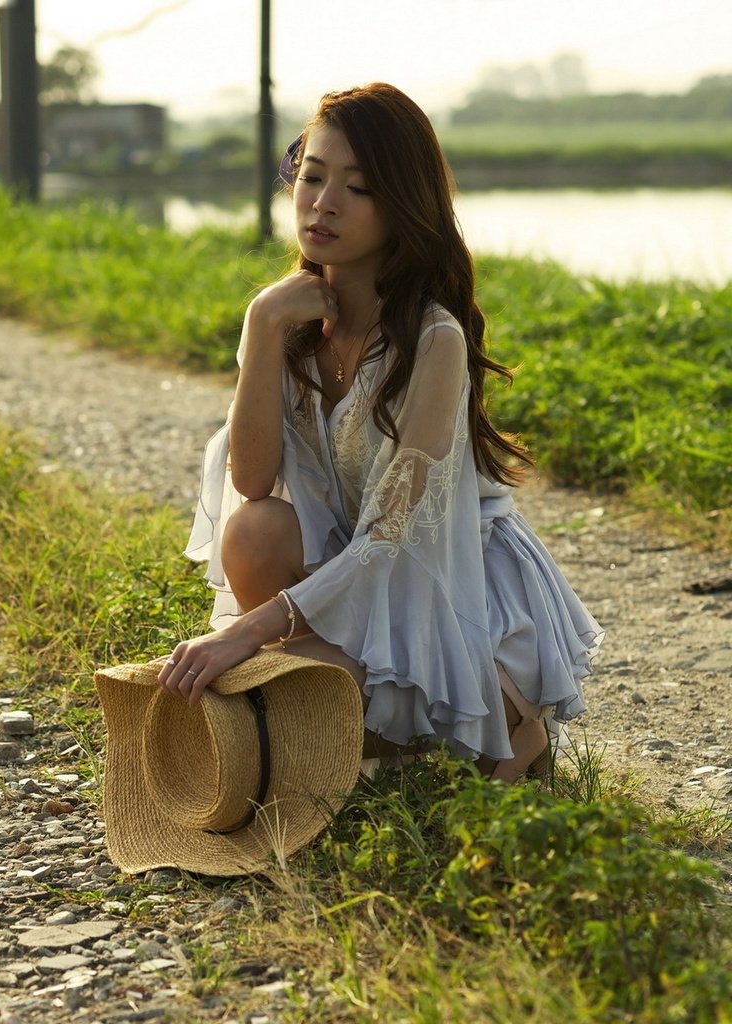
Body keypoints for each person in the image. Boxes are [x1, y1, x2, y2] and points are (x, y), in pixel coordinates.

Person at [158, 83, 602, 780]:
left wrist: (247, 632)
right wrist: (262, 325)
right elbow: (250, 481)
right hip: (347, 565)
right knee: (253, 528)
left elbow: (391, 542)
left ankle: (510, 715)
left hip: (443, 577)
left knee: (278, 679)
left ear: (402, 207)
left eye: (357, 188)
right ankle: (348, 708)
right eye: (311, 176)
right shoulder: (288, 320)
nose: (322, 202)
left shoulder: (434, 340)